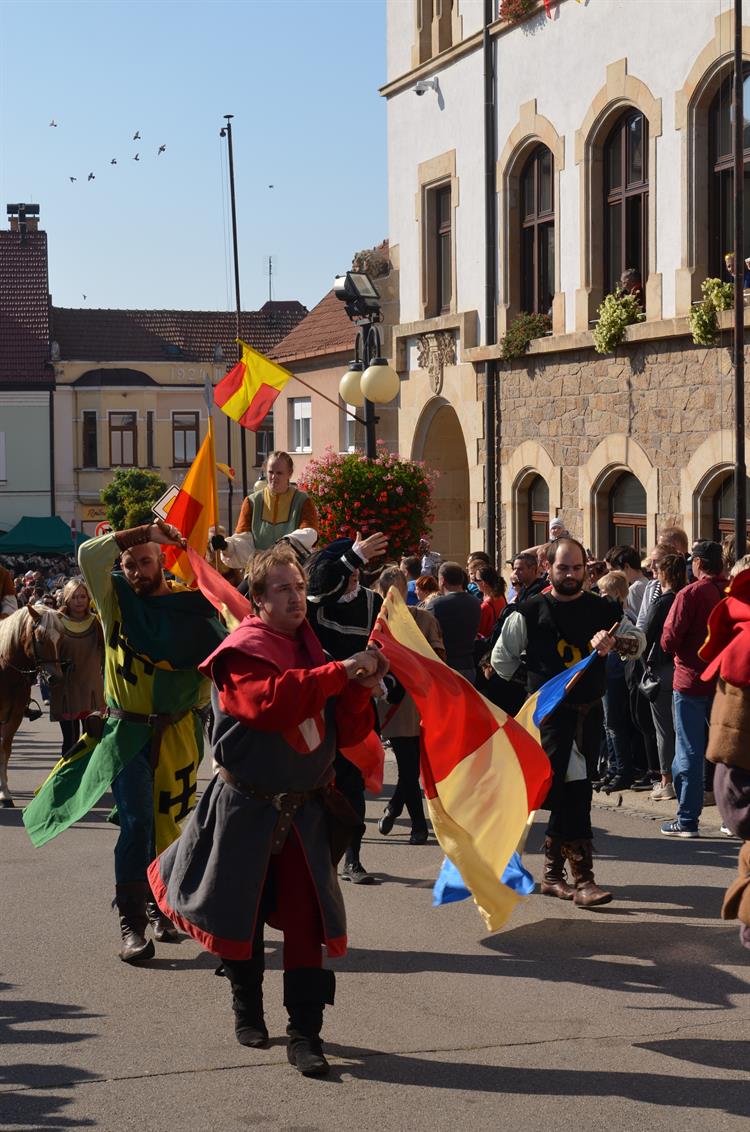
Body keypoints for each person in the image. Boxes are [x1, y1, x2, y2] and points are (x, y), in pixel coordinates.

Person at [148, 544, 386, 1076]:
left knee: (306, 923)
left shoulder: (314, 652)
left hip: (304, 812)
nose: (297, 597)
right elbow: (270, 703)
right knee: (241, 914)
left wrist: (359, 689)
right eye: (282, 589)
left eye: (300, 587)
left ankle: (306, 1033)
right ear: (257, 599)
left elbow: (346, 731)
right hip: (244, 808)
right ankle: (246, 1006)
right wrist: (341, 673)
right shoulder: (240, 650)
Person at [77, 519, 225, 963]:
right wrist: (142, 533)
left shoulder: (189, 607)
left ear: (162, 561)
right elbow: (89, 555)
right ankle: (133, 925)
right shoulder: (114, 598)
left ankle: (161, 904)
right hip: (126, 733)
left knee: (170, 826)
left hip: (178, 731)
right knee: (137, 822)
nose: (139, 570)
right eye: (130, 563)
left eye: (146, 561)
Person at [491, 538, 644, 907]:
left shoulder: (602, 609)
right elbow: (501, 661)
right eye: (563, 568)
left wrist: (614, 642)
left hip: (589, 715)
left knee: (569, 791)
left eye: (577, 568)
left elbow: (637, 641)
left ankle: (552, 875)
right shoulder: (527, 611)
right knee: (575, 790)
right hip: (549, 718)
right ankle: (584, 880)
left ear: (586, 569)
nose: (571, 575)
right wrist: (535, 688)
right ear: (549, 567)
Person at [306, 531, 388, 885]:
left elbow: (388, 647)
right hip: (320, 706)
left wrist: (385, 679)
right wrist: (351, 557)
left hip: (357, 707)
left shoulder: (373, 601)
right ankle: (319, 856)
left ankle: (353, 858)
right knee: (318, 782)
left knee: (352, 782)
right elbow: (319, 584)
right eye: (348, 571)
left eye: (357, 572)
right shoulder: (315, 604)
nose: (353, 579)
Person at [373, 566, 444, 844]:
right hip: (394, 705)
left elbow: (438, 658)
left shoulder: (424, 619)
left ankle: (393, 808)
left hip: (422, 702)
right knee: (408, 767)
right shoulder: (377, 624)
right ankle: (418, 825)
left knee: (412, 767)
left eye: (400, 591)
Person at [660, 540, 726, 838]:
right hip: (722, 681)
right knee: (724, 750)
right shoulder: (728, 592)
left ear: (697, 563)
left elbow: (669, 639)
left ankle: (687, 819)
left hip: (690, 680)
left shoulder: (690, 593)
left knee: (689, 751)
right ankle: (729, 817)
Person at [214, 450, 319, 569]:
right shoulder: (252, 501)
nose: (274, 477)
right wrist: (227, 546)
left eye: (279, 473)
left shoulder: (303, 501)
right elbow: (244, 541)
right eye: (271, 472)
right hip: (260, 569)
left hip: (292, 569)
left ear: (289, 473)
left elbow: (310, 533)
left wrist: (287, 541)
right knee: (237, 589)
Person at [48, 578, 104, 755]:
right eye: (74, 597)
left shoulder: (97, 623)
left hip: (92, 689)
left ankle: (90, 781)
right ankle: (69, 781)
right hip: (66, 689)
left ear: (89, 599)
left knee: (92, 741)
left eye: (82, 596)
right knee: (70, 743)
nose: (79, 601)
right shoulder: (56, 622)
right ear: (66, 599)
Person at [431, 561, 482, 683]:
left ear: (442, 580)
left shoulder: (436, 604)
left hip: (445, 666)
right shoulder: (476, 602)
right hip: (469, 665)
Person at [476, 566, 506, 638]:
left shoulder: (485, 606)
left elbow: (479, 631)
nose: (474, 582)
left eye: (476, 579)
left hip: (487, 645)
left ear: (484, 583)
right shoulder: (501, 597)